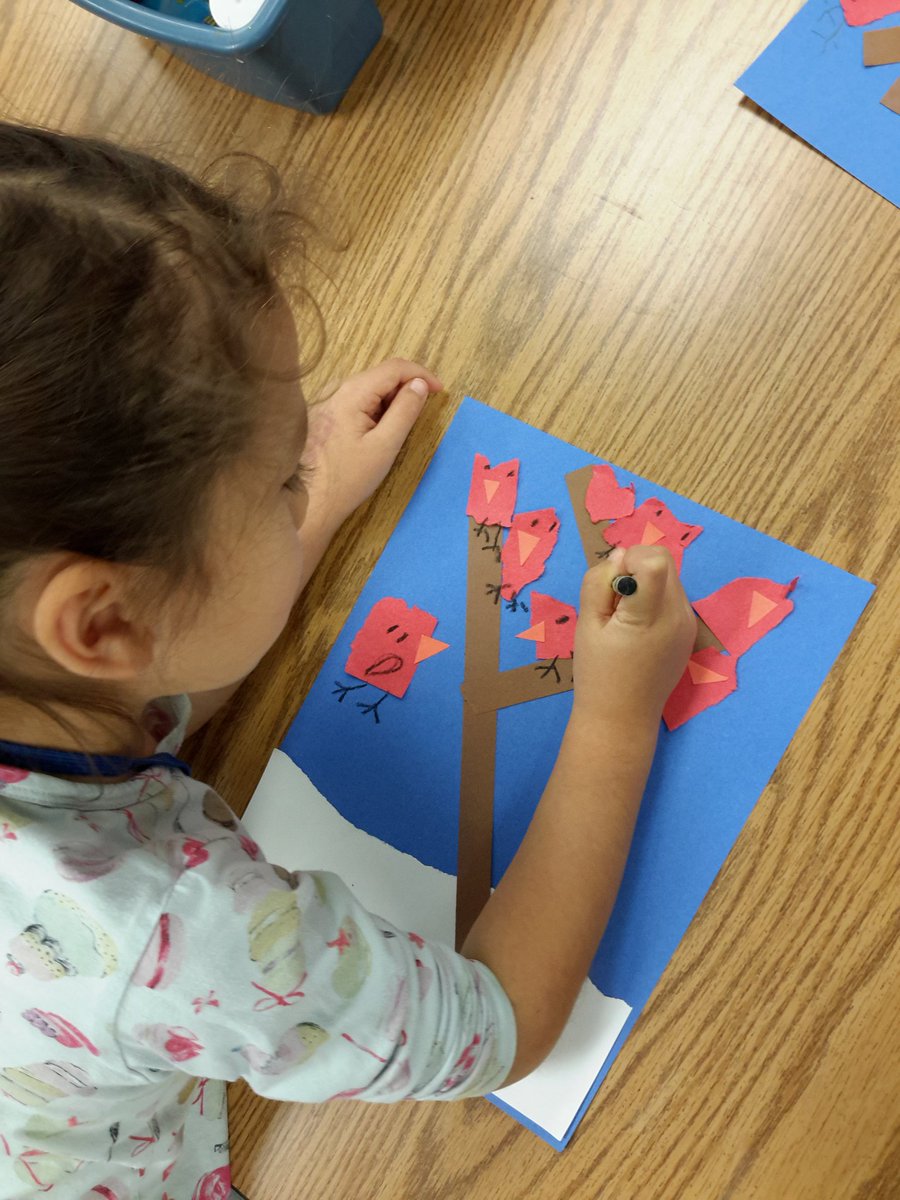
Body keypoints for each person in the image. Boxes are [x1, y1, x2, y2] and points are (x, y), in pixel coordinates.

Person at [0, 123, 696, 1198]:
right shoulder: (183, 943)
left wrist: (310, 505)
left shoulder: (46, 682)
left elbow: (151, 691)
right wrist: (614, 717)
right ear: (102, 625)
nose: (305, 458)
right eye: (281, 474)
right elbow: (504, 1024)